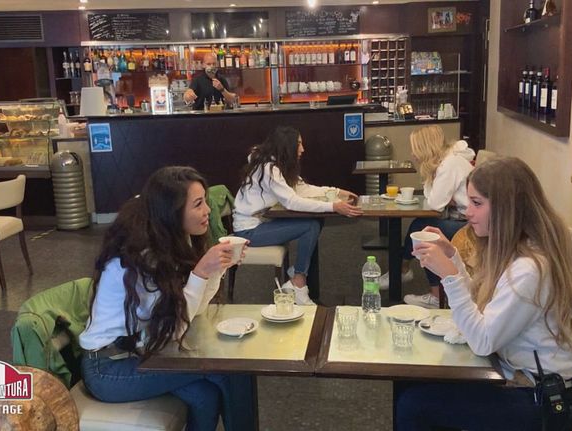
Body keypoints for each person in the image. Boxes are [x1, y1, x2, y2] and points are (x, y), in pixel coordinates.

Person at [395, 157, 572, 431]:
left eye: (477, 203)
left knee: (414, 406)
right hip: (524, 376)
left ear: (506, 208)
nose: (467, 212)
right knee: (410, 381)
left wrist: (450, 277)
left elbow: (483, 341)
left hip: (548, 398)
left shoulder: (530, 269)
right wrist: (453, 258)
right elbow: (483, 306)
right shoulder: (524, 246)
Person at [79, 166, 254, 431]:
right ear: (172, 211)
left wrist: (215, 270)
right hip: (108, 369)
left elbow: (193, 311)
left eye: (205, 201)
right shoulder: (141, 259)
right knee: (230, 372)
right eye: (198, 204)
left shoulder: (169, 241)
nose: (208, 210)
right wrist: (200, 273)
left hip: (140, 352)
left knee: (205, 395)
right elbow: (172, 330)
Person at [233, 126, 362, 305]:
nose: (302, 149)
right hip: (248, 232)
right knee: (310, 225)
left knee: (314, 222)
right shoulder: (269, 169)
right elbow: (292, 202)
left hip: (260, 223)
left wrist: (338, 191)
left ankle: (298, 277)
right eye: (299, 144)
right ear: (287, 146)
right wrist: (333, 206)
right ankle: (298, 281)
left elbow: (302, 189)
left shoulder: (276, 164)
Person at [377, 125, 475, 309]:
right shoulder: (448, 162)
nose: (413, 154)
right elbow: (437, 200)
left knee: (424, 232)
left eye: (415, 148)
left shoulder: (449, 164)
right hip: (462, 217)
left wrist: (431, 178)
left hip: (471, 224)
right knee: (421, 226)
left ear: (425, 147)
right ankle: (403, 270)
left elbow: (434, 204)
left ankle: (408, 275)